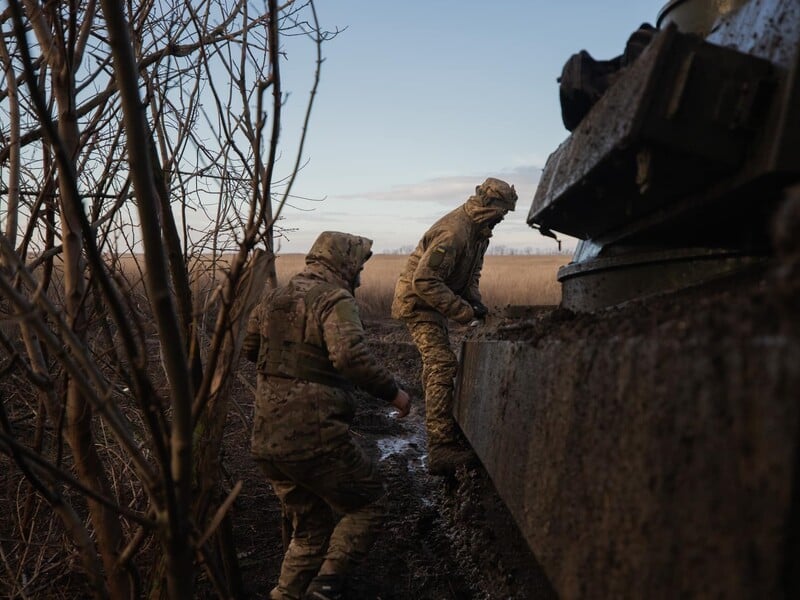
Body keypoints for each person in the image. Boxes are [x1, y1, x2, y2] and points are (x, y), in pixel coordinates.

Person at [244, 231, 411, 600]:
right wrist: (394, 393)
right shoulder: (334, 300)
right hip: (313, 438)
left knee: (310, 529)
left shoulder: (273, 298)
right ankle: (325, 589)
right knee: (368, 505)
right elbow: (350, 358)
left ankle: (285, 595)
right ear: (345, 266)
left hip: (266, 441)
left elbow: (249, 347)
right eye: (359, 268)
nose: (361, 277)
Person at [391, 177, 517, 476]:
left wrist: (477, 304)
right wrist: (463, 312)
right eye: (502, 212)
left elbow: (472, 275)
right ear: (489, 206)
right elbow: (424, 281)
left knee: (441, 363)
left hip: (435, 300)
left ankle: (446, 427)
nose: (503, 219)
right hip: (418, 303)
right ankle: (441, 448)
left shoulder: (479, 233)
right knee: (442, 364)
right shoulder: (454, 232)